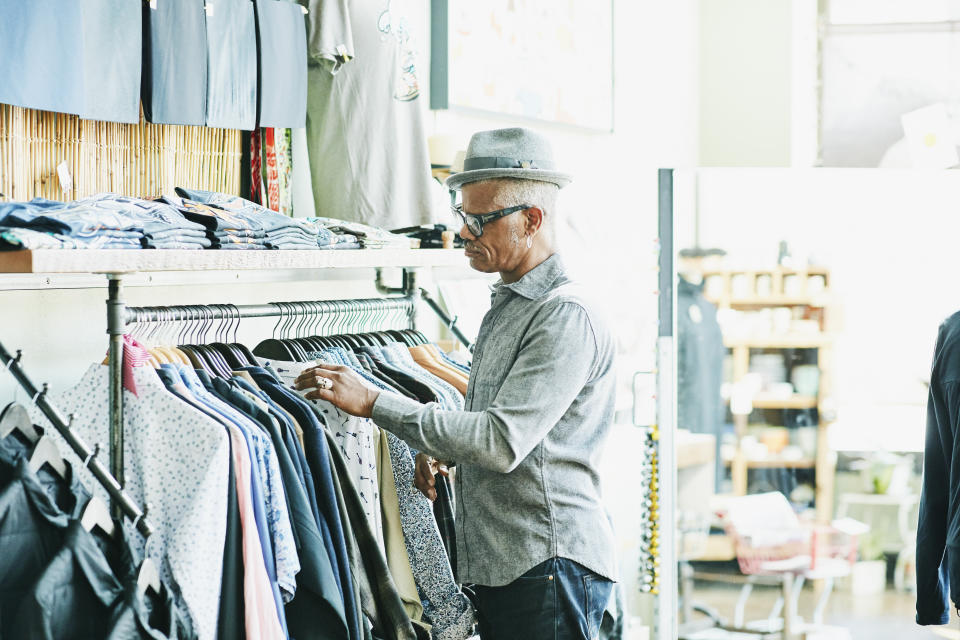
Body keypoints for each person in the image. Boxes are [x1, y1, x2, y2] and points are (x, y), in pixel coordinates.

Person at [295, 127, 617, 639]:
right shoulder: (510, 305)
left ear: (532, 220)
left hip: (546, 568)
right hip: (509, 569)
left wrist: (376, 402)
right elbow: (503, 426)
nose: (464, 232)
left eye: (479, 219)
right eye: (462, 215)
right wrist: (448, 450)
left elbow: (501, 441)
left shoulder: (563, 316)